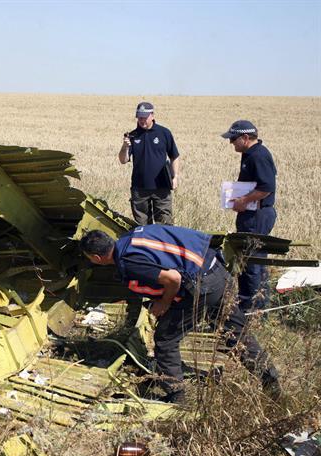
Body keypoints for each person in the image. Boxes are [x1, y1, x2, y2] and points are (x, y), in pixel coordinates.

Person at [79, 226, 280, 403]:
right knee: (236, 333)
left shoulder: (129, 262)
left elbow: (173, 278)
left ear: (97, 258)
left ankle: (176, 394)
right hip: (215, 267)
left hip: (202, 284)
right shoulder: (133, 236)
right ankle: (270, 379)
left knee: (166, 339)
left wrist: (163, 304)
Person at [221, 120, 277, 313]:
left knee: (252, 261)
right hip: (251, 214)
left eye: (234, 139)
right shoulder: (249, 154)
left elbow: (266, 188)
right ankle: (249, 304)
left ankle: (253, 309)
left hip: (257, 216)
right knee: (248, 258)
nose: (231, 143)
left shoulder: (258, 156)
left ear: (245, 138)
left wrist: (243, 200)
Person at [119, 102, 181, 226]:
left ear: (152, 115)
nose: (142, 120)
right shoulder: (132, 135)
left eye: (144, 117)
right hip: (139, 188)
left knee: (164, 225)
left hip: (162, 187)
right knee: (141, 227)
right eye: (139, 117)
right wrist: (125, 147)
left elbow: (174, 156)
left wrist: (175, 177)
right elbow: (123, 160)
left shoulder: (164, 133)